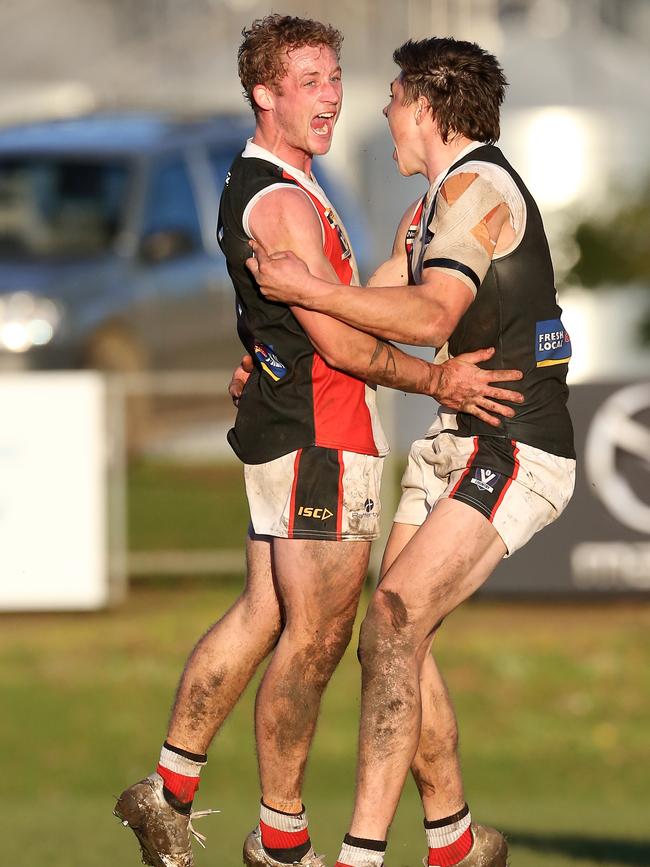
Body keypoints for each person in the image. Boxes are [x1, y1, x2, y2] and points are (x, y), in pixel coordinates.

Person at [113, 19, 525, 867]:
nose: (332, 94)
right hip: (319, 434)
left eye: (336, 76)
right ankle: (283, 842)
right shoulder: (285, 198)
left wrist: (265, 343)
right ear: (263, 93)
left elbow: (324, 305)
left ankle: (166, 791)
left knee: (266, 614)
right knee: (319, 638)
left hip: (288, 421)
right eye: (308, 80)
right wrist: (436, 380)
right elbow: (338, 344)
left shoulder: (285, 180)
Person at [247, 35, 576, 867]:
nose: (382, 112)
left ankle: (363, 855)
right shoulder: (433, 205)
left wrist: (303, 288)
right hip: (454, 445)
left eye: (392, 97)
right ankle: (458, 842)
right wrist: (278, 345)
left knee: (392, 619)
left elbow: (430, 316)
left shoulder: (477, 190)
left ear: (426, 105)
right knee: (391, 635)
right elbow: (372, 303)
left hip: (514, 445)